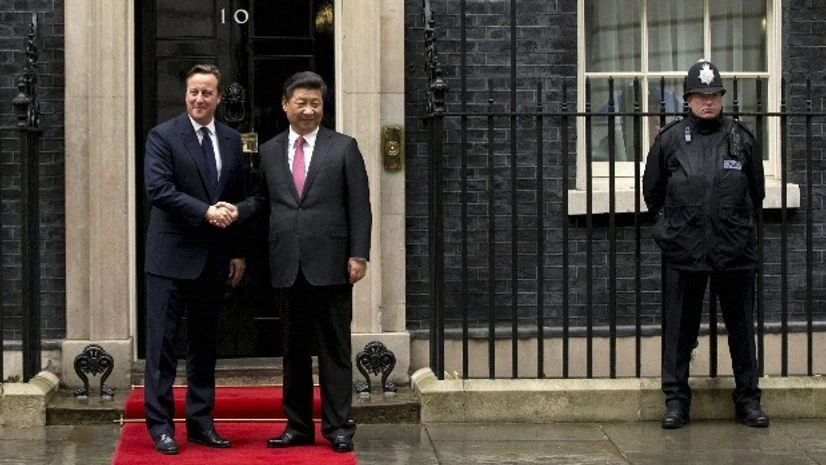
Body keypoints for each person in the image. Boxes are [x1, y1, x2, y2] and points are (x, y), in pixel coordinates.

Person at [230, 70, 371, 453]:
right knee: (292, 352)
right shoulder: (271, 150)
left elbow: (359, 205)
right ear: (285, 105)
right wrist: (235, 211)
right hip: (286, 264)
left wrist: (359, 254)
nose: (308, 110)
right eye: (301, 102)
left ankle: (339, 426)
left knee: (335, 350)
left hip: (332, 264)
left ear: (323, 107)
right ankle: (297, 426)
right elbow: (262, 200)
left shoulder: (343, 147)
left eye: (316, 103)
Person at [643, 59, 768, 430]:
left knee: (742, 330)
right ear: (688, 99)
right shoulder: (669, 140)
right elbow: (652, 194)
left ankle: (748, 401)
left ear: (722, 98)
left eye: (714, 95)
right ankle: (676, 401)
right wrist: (672, 230)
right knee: (680, 330)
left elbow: (756, 193)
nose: (708, 102)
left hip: (734, 250)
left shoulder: (742, 138)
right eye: (700, 95)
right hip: (685, 250)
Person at [143, 64, 247, 454]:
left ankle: (201, 423)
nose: (199, 99)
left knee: (204, 346)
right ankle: (161, 427)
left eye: (206, 93)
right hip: (169, 258)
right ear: (185, 95)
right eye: (193, 92)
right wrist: (205, 211)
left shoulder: (232, 140)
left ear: (219, 97)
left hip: (214, 258)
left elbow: (235, 194)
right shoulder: (163, 136)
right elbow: (158, 189)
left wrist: (237, 250)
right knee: (162, 347)